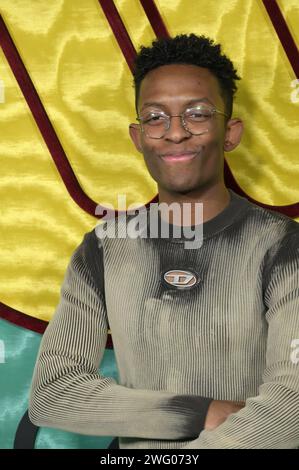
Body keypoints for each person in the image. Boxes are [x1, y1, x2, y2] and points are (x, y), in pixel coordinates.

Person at [29, 34, 299, 449]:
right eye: (156, 117)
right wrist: (194, 412)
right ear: (138, 138)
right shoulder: (105, 247)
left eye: (197, 113)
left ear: (230, 132)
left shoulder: (283, 245)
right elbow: (54, 393)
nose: (175, 133)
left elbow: (291, 406)